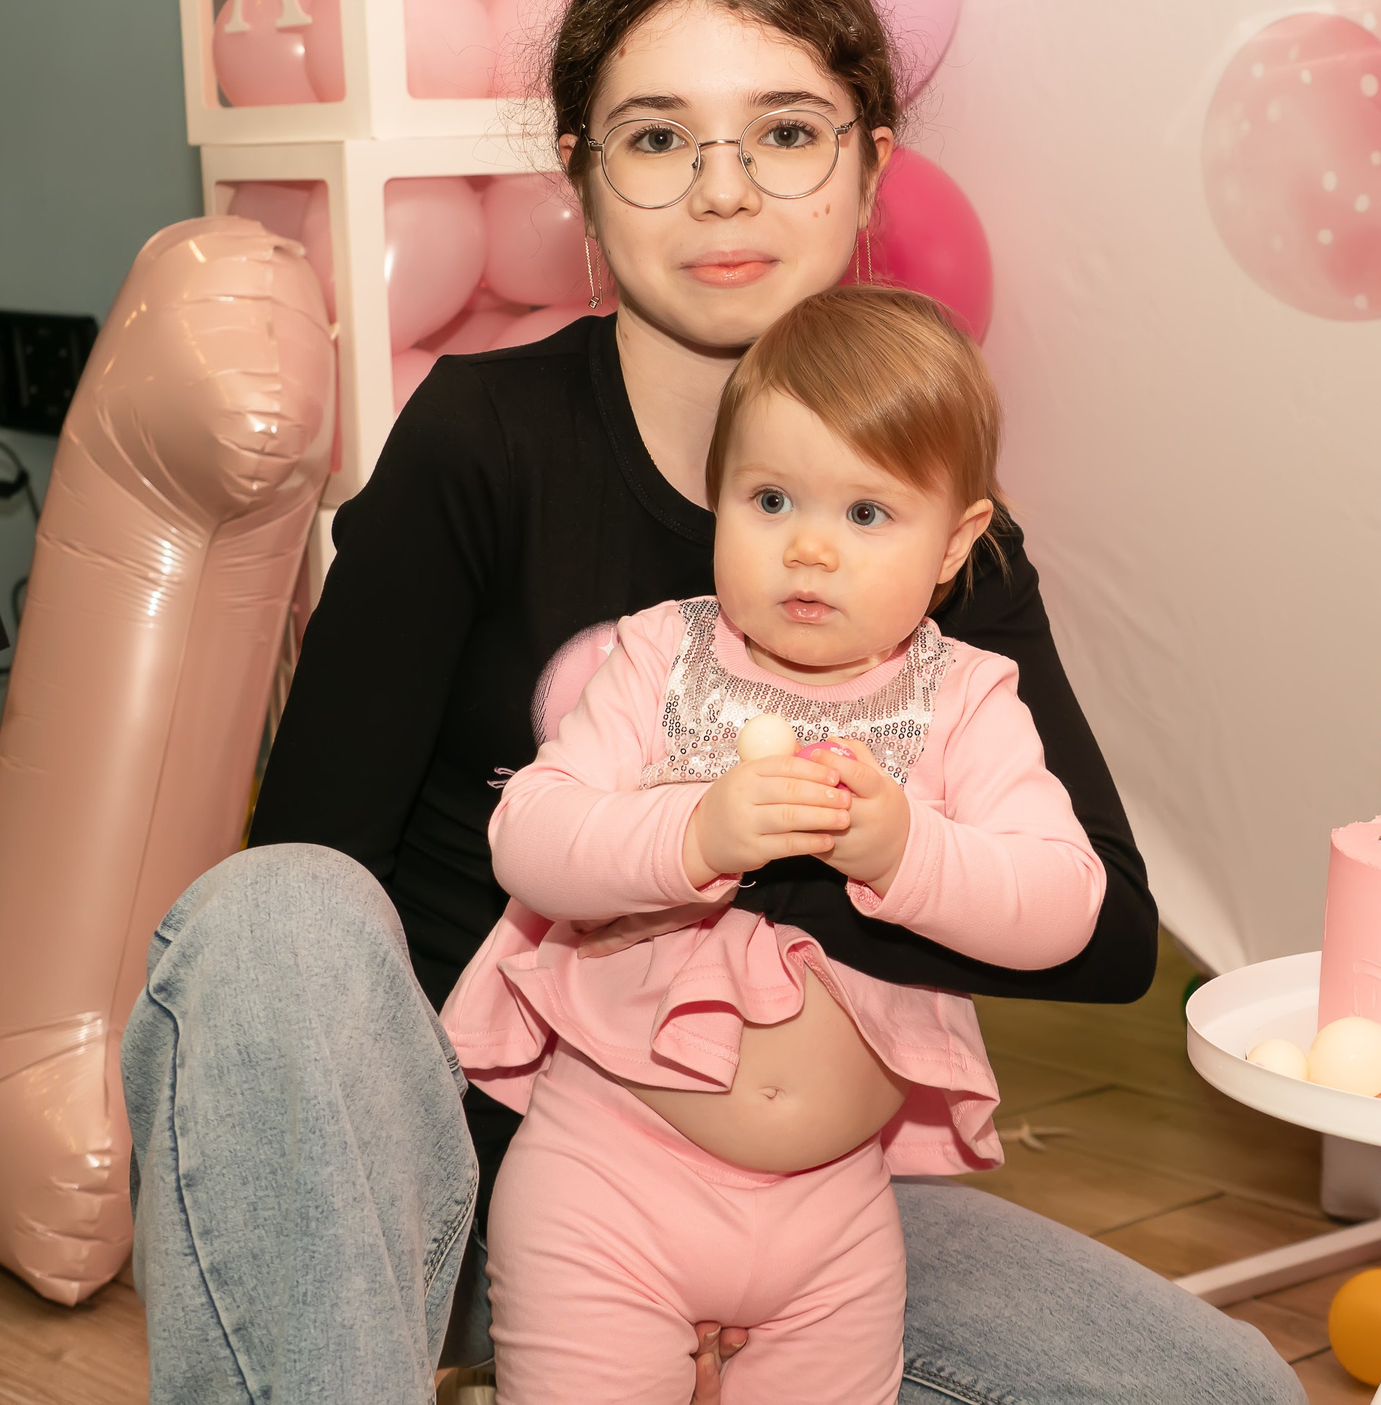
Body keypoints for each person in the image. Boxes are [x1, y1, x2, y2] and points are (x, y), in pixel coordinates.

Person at [121, 0, 1304, 1405]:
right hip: (478, 1162)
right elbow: (309, 886)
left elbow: (1109, 934)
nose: (723, 190)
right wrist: (675, 850)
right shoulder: (486, 443)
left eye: (788, 131)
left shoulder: (936, 540)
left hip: (812, 1206)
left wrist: (833, 852)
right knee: (264, 914)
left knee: (1220, 1394)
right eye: (659, 138)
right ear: (580, 176)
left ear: (872, 161)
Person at [446, 287, 1107, 1401]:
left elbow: (1065, 902)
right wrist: (692, 830)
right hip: (607, 1174)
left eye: (867, 514)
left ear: (956, 541)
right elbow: (531, 835)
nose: (808, 546)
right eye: (768, 498)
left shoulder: (965, 699)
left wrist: (909, 851)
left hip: (835, 1215)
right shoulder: (665, 654)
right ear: (714, 500)